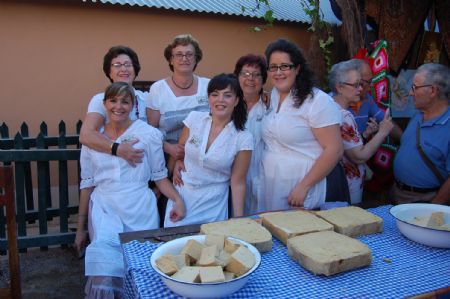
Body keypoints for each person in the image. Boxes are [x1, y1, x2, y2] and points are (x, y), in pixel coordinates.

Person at [74, 82, 185, 298]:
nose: (118, 106)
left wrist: (177, 199)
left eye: (125, 101)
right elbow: (87, 185)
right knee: (104, 272)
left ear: (133, 105)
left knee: (140, 270)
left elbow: (160, 177)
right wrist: (80, 229)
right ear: (104, 104)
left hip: (140, 211)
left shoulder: (149, 135)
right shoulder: (93, 140)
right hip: (104, 210)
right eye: (113, 100)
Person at [261, 38, 344, 211]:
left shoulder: (317, 101)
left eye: (285, 66)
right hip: (273, 184)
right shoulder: (272, 96)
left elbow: (334, 150)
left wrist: (304, 186)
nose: (278, 72)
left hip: (303, 185)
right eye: (273, 67)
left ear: (297, 68)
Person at [167, 73, 253, 227]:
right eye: (215, 94)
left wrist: (239, 219)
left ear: (236, 101)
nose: (220, 100)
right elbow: (181, 149)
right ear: (208, 99)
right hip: (181, 197)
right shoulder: (194, 119)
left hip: (212, 204)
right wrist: (179, 161)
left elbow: (238, 182)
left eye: (227, 96)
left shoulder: (243, 137)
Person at [329, 60, 394, 204]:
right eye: (356, 84)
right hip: (346, 188)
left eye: (361, 84)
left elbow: (346, 147)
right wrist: (382, 132)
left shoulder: (328, 107)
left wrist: (364, 135)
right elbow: (359, 157)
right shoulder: (343, 116)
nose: (360, 89)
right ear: (339, 87)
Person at [146, 34, 210, 173]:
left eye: (189, 54)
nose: (184, 58)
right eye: (178, 55)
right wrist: (169, 148)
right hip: (167, 156)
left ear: (196, 59)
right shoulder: (158, 89)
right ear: (171, 60)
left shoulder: (208, 86)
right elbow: (151, 131)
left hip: (202, 156)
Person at [79, 45, 147, 166]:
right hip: (109, 165)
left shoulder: (146, 99)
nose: (123, 69)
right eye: (117, 65)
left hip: (142, 163)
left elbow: (155, 134)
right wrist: (118, 149)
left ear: (135, 70)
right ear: (109, 73)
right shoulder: (99, 99)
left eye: (128, 64)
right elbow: (86, 135)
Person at [392, 63, 450, 205]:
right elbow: (409, 143)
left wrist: (433, 207)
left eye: (415, 87)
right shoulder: (418, 114)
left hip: (425, 201)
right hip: (398, 193)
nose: (411, 93)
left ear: (432, 90)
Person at [233, 54, 270, 214]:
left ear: (263, 80)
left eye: (256, 75)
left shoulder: (271, 106)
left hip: (261, 176)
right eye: (245, 74)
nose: (250, 79)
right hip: (231, 177)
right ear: (237, 77)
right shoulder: (227, 105)